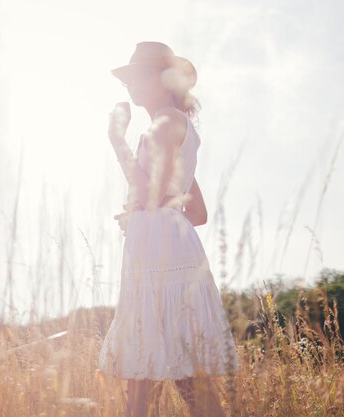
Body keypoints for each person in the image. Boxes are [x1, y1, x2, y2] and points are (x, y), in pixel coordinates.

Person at [97, 41, 240, 417]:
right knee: (178, 368)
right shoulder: (178, 124)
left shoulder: (167, 122)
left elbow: (150, 191)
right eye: (126, 79)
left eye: (138, 76)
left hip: (160, 255)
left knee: (145, 362)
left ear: (162, 78)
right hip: (167, 247)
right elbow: (197, 212)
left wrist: (116, 141)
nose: (130, 85)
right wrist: (144, 216)